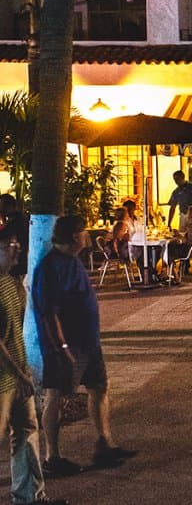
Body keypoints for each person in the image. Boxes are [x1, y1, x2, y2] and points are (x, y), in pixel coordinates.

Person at [34, 216, 135, 477]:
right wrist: (63, 346)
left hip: (88, 343)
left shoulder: (73, 260)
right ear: (72, 236)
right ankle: (52, 457)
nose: (87, 236)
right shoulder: (49, 267)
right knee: (56, 395)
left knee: (99, 387)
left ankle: (105, 443)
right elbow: (48, 313)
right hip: (67, 346)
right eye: (83, 232)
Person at [0, 227, 67, 505]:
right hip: (5, 378)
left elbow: (16, 333)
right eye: (8, 245)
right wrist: (19, 373)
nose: (17, 249)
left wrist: (25, 371)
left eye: (17, 244)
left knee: (26, 432)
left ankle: (29, 495)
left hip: (18, 374)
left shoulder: (13, 283)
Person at [167, 206, 192, 281]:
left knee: (169, 249)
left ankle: (173, 274)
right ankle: (172, 272)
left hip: (189, 250)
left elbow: (187, 241)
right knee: (170, 247)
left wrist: (178, 236)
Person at [0, 195, 28, 278]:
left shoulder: (17, 221)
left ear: (9, 206)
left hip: (17, 266)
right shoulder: (19, 218)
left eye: (1, 206)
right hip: (18, 264)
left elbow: (2, 235)